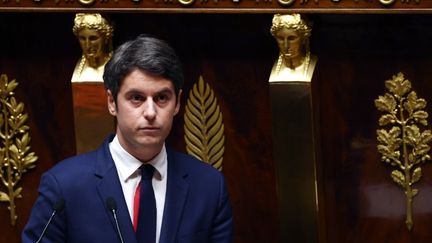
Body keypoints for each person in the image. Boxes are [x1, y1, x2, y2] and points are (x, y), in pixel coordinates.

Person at [22, 35, 234, 243]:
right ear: (112, 102)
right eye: (136, 98)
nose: (150, 112)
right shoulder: (64, 186)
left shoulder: (209, 187)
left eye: (161, 98)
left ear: (177, 103)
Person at [269, 13, 317, 82]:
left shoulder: (314, 64)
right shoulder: (271, 67)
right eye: (281, 38)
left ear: (303, 39)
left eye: (291, 38)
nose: (286, 45)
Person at [71, 13, 114, 82]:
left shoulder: (115, 67)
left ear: (106, 38)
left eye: (93, 38)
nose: (87, 45)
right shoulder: (79, 69)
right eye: (82, 38)